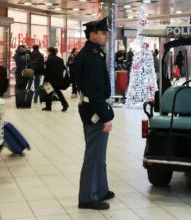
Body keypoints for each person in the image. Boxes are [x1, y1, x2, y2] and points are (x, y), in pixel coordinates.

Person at [74, 17, 115, 210]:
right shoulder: (91, 57)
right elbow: (95, 90)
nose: (106, 36)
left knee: (100, 153)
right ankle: (88, 197)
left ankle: (100, 188)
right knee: (94, 153)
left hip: (90, 107)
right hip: (94, 110)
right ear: (92, 35)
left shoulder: (92, 53)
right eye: (103, 33)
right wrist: (106, 116)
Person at [42, 46, 69, 112]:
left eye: (47, 51)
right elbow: (63, 68)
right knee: (58, 92)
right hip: (58, 79)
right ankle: (65, 104)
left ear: (50, 51)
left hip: (49, 79)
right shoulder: (60, 59)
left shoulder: (49, 59)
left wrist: (45, 79)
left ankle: (48, 107)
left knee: (48, 93)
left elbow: (47, 70)